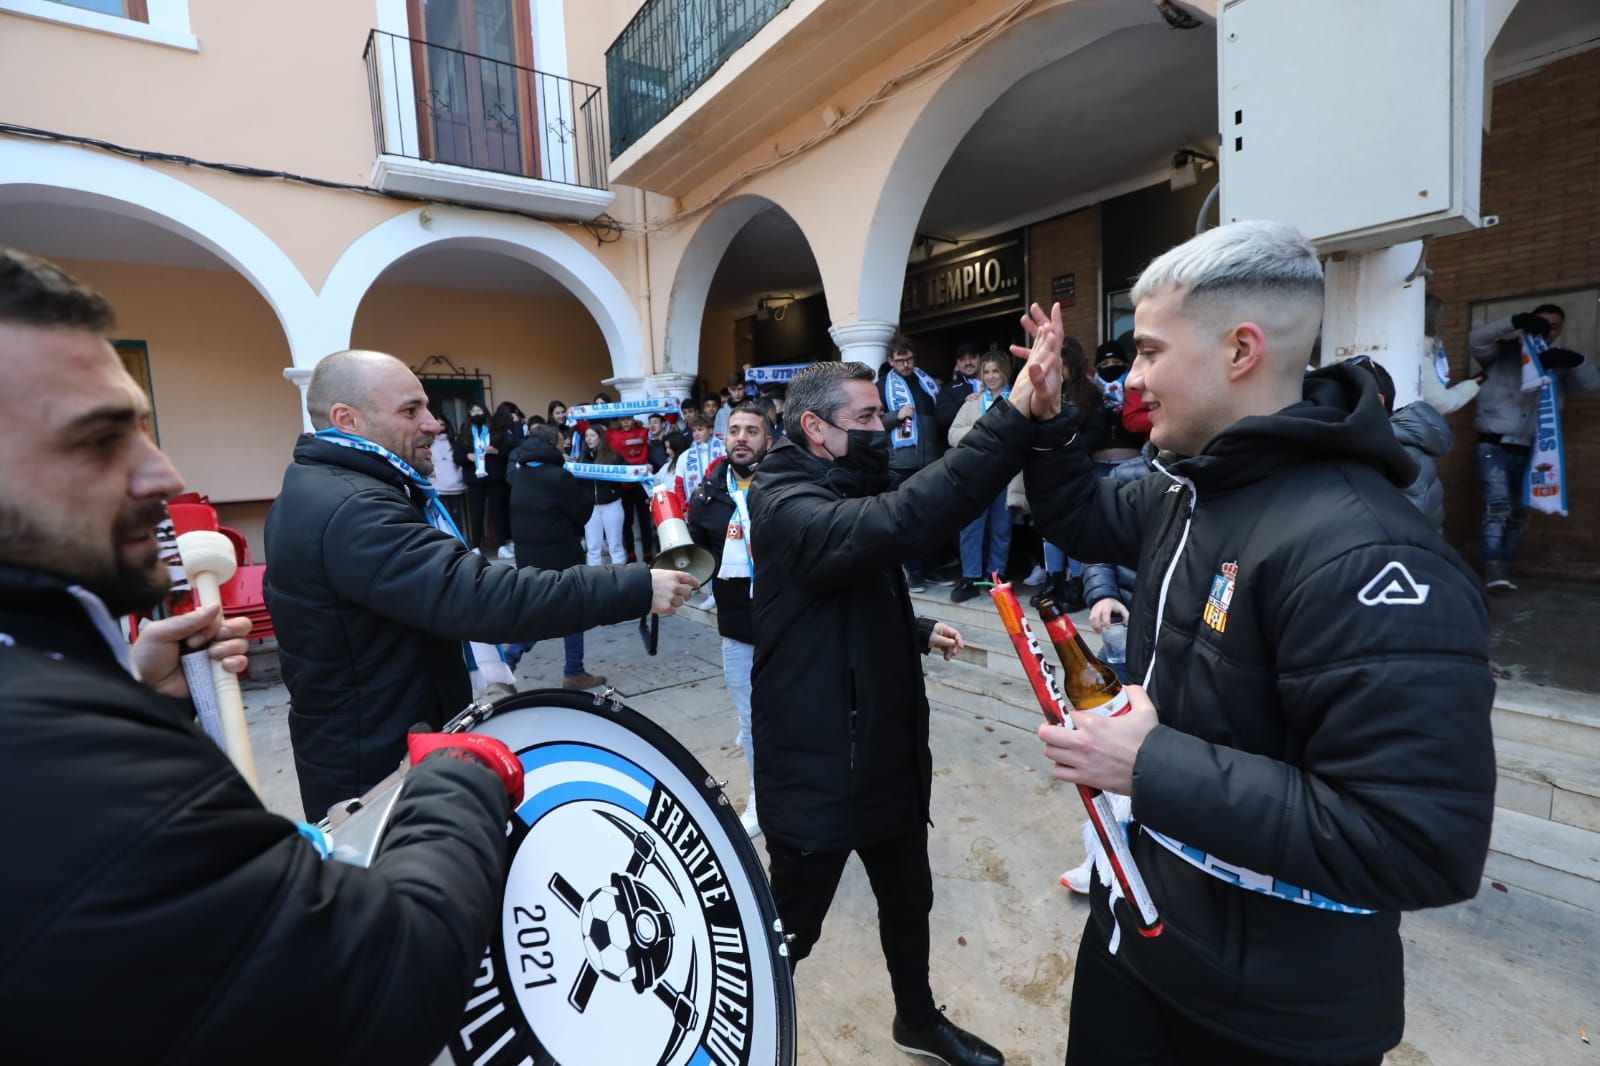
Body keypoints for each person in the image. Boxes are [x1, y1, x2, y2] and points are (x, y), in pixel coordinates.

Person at [0, 247, 530, 1061]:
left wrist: (140, 696)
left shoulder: (53, 695)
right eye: (100, 438)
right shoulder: (47, 751)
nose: (161, 471)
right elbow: (380, 982)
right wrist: (456, 775)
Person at [1017, 221, 1496, 1066]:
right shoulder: (1189, 487)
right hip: (1141, 934)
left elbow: (1418, 843)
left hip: (1267, 1016)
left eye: (1151, 351)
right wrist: (1052, 424)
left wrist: (1149, 764)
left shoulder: (1365, 554)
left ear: (1241, 350)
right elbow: (1084, 517)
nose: (1132, 379)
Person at [748, 355, 1065, 1066]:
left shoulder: (843, 478)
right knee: (790, 927)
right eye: (865, 418)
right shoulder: (782, 498)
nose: (885, 426)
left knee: (908, 899)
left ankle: (916, 1019)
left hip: (885, 748)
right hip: (818, 756)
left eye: (883, 413)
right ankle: (745, 1038)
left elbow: (845, 582)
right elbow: (896, 524)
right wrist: (1006, 419)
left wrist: (914, 630)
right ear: (814, 428)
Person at [265, 351, 698, 817]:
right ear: (346, 420)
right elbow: (480, 596)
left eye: (427, 408)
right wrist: (636, 587)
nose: (433, 424)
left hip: (382, 745)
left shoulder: (336, 488)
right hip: (376, 775)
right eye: (411, 411)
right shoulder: (353, 508)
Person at [1466, 302, 1597, 590]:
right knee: (1497, 508)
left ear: (1560, 329)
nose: (1547, 329)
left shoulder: (1557, 363)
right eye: (1541, 323)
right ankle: (1493, 572)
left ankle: (1505, 571)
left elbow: (1590, 386)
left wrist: (1576, 361)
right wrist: (1514, 321)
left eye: (1553, 325)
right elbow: (1476, 338)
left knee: (1518, 514)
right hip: (1494, 446)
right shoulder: (1502, 352)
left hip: (1534, 450)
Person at [686, 402, 773, 838]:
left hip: (788, 624)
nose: (741, 437)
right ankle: (761, 797)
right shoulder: (706, 497)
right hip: (737, 627)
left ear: (769, 440)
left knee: (795, 717)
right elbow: (696, 554)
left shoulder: (786, 486)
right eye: (734, 429)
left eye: (752, 430)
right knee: (751, 721)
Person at [506, 424, 605, 690]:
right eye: (562, 443)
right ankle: (574, 672)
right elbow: (581, 512)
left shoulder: (520, 474)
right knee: (573, 609)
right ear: (552, 445)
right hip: (560, 554)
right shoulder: (558, 477)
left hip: (527, 555)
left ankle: (508, 662)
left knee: (541, 610)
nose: (565, 447)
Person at [948, 353, 1017, 601]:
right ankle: (970, 577)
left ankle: (995, 576)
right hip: (977, 474)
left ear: (1005, 373)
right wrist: (980, 430)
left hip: (1007, 474)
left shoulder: (1017, 400)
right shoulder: (973, 404)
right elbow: (953, 434)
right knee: (971, 527)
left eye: (995, 371)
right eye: (986, 372)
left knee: (1001, 528)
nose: (991, 377)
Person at [880, 334, 945, 592]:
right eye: (900, 361)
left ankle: (931, 568)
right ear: (890, 360)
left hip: (930, 462)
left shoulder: (926, 382)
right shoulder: (881, 386)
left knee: (933, 518)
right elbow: (872, 422)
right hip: (901, 463)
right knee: (909, 519)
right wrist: (896, 416)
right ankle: (914, 572)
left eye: (909, 359)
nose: (906, 365)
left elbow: (940, 417)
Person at [579, 425, 630, 567]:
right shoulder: (582, 459)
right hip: (591, 508)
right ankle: (594, 580)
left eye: (592, 436)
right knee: (593, 547)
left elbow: (629, 471)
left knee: (615, 544)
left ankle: (620, 577)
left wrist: (644, 469)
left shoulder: (613, 456)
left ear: (600, 438)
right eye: (587, 436)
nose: (588, 439)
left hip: (611, 505)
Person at [607, 415, 656, 563]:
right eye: (622, 419)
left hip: (641, 484)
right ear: (619, 421)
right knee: (626, 522)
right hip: (623, 485)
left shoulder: (644, 431)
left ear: (633, 419)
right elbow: (589, 429)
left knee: (644, 520)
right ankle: (630, 554)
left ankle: (648, 553)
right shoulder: (612, 434)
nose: (626, 422)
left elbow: (663, 424)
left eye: (628, 419)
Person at [484, 401, 523, 559]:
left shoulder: (508, 430)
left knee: (510, 511)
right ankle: (502, 544)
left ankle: (510, 541)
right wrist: (517, 424)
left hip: (509, 477)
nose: (515, 417)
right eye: (513, 414)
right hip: (496, 477)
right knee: (499, 511)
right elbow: (516, 446)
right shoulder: (494, 431)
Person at [456, 401, 493, 549]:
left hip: (493, 478)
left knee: (497, 512)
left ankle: (502, 545)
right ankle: (476, 545)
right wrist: (467, 456)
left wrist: (495, 451)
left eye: (479, 411)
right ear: (469, 415)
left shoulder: (493, 430)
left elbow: (504, 450)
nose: (477, 414)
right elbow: (457, 457)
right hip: (474, 479)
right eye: (473, 412)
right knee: (476, 514)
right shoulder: (464, 434)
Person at [428, 411, 468, 535]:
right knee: (440, 519)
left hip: (455, 485)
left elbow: (460, 461)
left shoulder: (454, 440)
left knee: (456, 517)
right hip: (436, 485)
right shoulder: (427, 442)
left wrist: (460, 476)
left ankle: (460, 546)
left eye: (442, 425)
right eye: (437, 424)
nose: (440, 428)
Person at [936, 340, 983, 440]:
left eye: (972, 358)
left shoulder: (994, 382)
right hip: (965, 448)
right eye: (962, 359)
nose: (968, 363)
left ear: (980, 358)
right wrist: (962, 403)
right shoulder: (948, 390)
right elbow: (941, 421)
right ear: (957, 363)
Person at [675, 415, 726, 500]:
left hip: (723, 502)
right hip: (696, 505)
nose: (696, 434)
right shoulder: (684, 456)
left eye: (700, 429)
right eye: (694, 430)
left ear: (710, 430)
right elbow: (678, 486)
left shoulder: (725, 449)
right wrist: (683, 507)